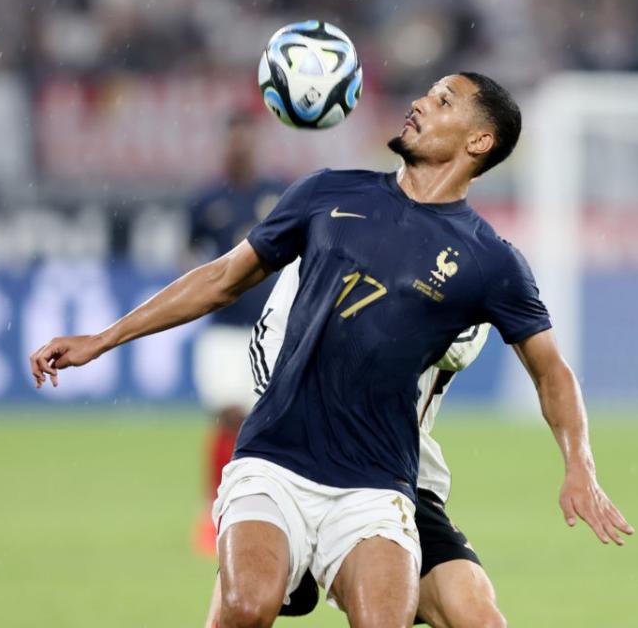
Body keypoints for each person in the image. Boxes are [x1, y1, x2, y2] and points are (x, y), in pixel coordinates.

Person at [30, 72, 634, 628]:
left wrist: (579, 463)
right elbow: (222, 277)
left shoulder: (490, 261)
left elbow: (550, 368)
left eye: (444, 100)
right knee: (246, 606)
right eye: (427, 92)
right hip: (276, 457)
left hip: (376, 482)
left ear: (480, 142)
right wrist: (103, 339)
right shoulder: (327, 192)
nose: (421, 102)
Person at [203, 257, 501, 627]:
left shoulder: (466, 256)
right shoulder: (330, 230)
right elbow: (269, 336)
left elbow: (461, 346)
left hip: (391, 468)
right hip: (294, 456)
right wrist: (295, 415)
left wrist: (369, 302)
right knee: (242, 606)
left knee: (479, 619)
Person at [185, 111, 287, 554]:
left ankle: (265, 514)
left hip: (272, 325)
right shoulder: (206, 200)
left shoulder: (277, 194)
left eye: (248, 138)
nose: (241, 146)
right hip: (225, 327)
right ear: (226, 143)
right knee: (230, 415)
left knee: (266, 424)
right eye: (235, 139)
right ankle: (214, 511)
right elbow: (188, 255)